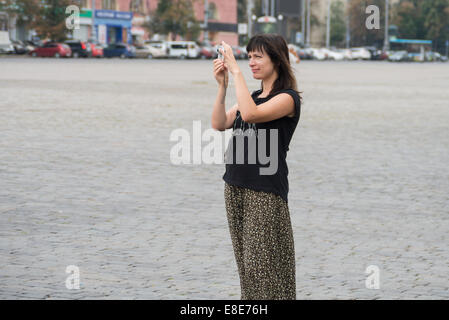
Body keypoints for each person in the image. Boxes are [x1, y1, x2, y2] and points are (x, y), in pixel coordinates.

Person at [211, 33, 302, 300]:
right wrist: (222, 87)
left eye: (257, 56)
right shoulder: (251, 96)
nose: (251, 62)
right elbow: (218, 123)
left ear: (276, 59)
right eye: (248, 56)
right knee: (247, 269)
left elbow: (251, 115)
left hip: (264, 192)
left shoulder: (288, 99)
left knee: (262, 267)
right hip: (235, 187)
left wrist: (236, 70)